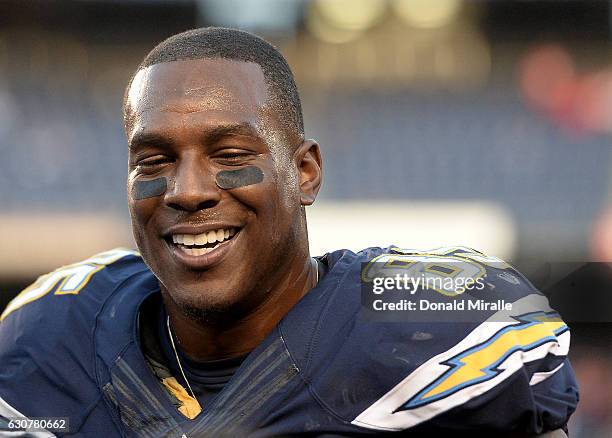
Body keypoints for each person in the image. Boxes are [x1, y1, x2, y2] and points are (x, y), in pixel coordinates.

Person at [0, 27, 578, 437]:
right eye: (153, 161)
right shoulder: (49, 338)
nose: (187, 190)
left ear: (305, 172)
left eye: (230, 154)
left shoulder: (440, 322)